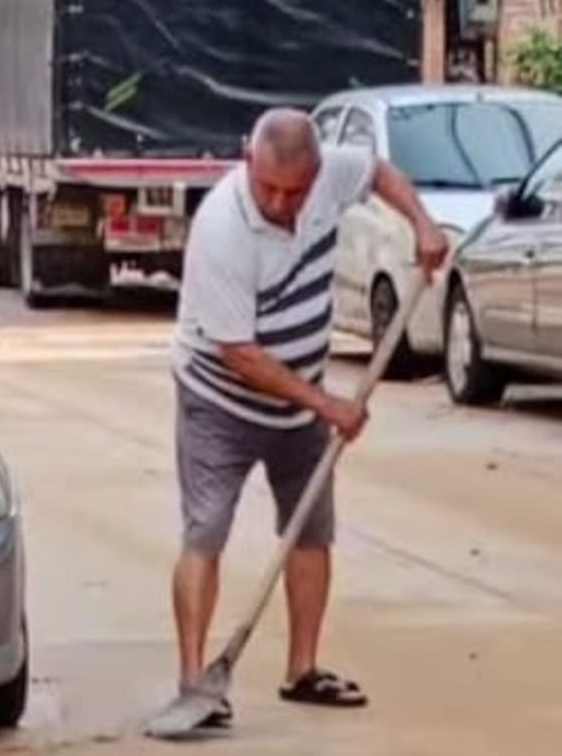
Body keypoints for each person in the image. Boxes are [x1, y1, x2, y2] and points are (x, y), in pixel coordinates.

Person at [157, 108, 448, 729]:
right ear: (248, 163)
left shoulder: (331, 174)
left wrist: (422, 223)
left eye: (295, 191)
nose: (281, 203)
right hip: (219, 400)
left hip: (301, 399)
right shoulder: (221, 227)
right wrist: (328, 405)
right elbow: (240, 354)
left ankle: (303, 669)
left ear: (316, 174)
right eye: (269, 187)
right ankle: (195, 681)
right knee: (206, 529)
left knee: (311, 530)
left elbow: (378, 172)